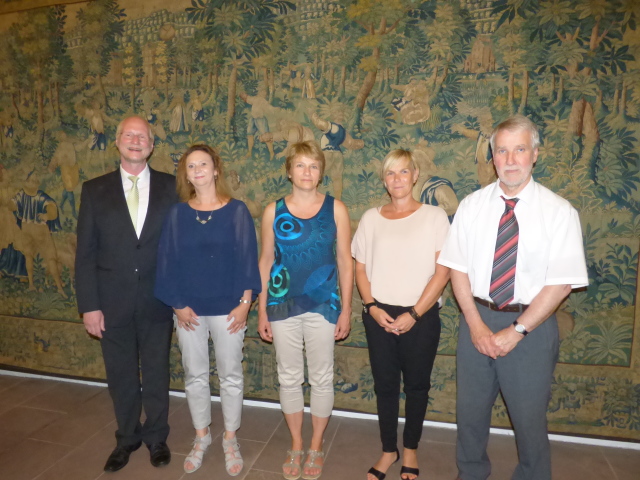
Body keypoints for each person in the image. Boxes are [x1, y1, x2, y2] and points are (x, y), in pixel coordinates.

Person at [437, 115, 588, 480]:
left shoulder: (559, 212)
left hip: (532, 328)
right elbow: (457, 269)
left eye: (519, 149)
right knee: (470, 415)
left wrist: (517, 330)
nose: (510, 159)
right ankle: (470, 473)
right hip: (477, 320)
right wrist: (474, 325)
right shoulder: (472, 207)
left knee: (529, 419)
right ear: (492, 158)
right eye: (501, 150)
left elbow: (561, 284)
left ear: (535, 154)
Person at [75, 115, 178, 473]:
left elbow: (182, 248)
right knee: (120, 375)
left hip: (158, 299)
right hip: (111, 302)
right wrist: (89, 306)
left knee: (156, 373)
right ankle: (127, 438)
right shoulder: (94, 189)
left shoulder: (172, 186)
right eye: (129, 135)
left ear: (152, 145)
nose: (136, 141)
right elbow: (85, 253)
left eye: (143, 136)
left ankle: (157, 437)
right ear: (117, 142)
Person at [154, 144, 261, 476]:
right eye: (191, 166)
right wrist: (177, 304)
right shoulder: (177, 214)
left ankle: (230, 438)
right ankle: (202, 436)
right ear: (185, 174)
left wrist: (245, 304)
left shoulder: (237, 211)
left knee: (230, 375)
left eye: (203, 164)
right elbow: (166, 263)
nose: (197, 170)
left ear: (216, 169)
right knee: (195, 375)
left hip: (229, 309)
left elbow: (247, 260)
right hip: (189, 311)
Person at [352, 149, 451, 480]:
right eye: (390, 173)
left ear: (415, 174)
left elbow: (442, 273)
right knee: (385, 386)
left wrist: (414, 313)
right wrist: (372, 308)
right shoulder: (370, 218)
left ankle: (410, 449)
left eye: (403, 172)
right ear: (384, 179)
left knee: (418, 386)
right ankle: (388, 451)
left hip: (420, 316)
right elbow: (360, 269)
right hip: (378, 314)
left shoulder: (435, 217)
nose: (397, 179)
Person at [257, 141, 353, 480]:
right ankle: (296, 444)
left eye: (313, 166)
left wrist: (346, 310)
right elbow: (266, 261)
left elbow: (345, 261)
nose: (307, 172)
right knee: (289, 376)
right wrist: (261, 310)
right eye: (300, 165)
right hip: (281, 304)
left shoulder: (336, 209)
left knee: (322, 376)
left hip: (324, 304)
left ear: (321, 172)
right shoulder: (273, 211)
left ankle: (315, 445)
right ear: (289, 171)